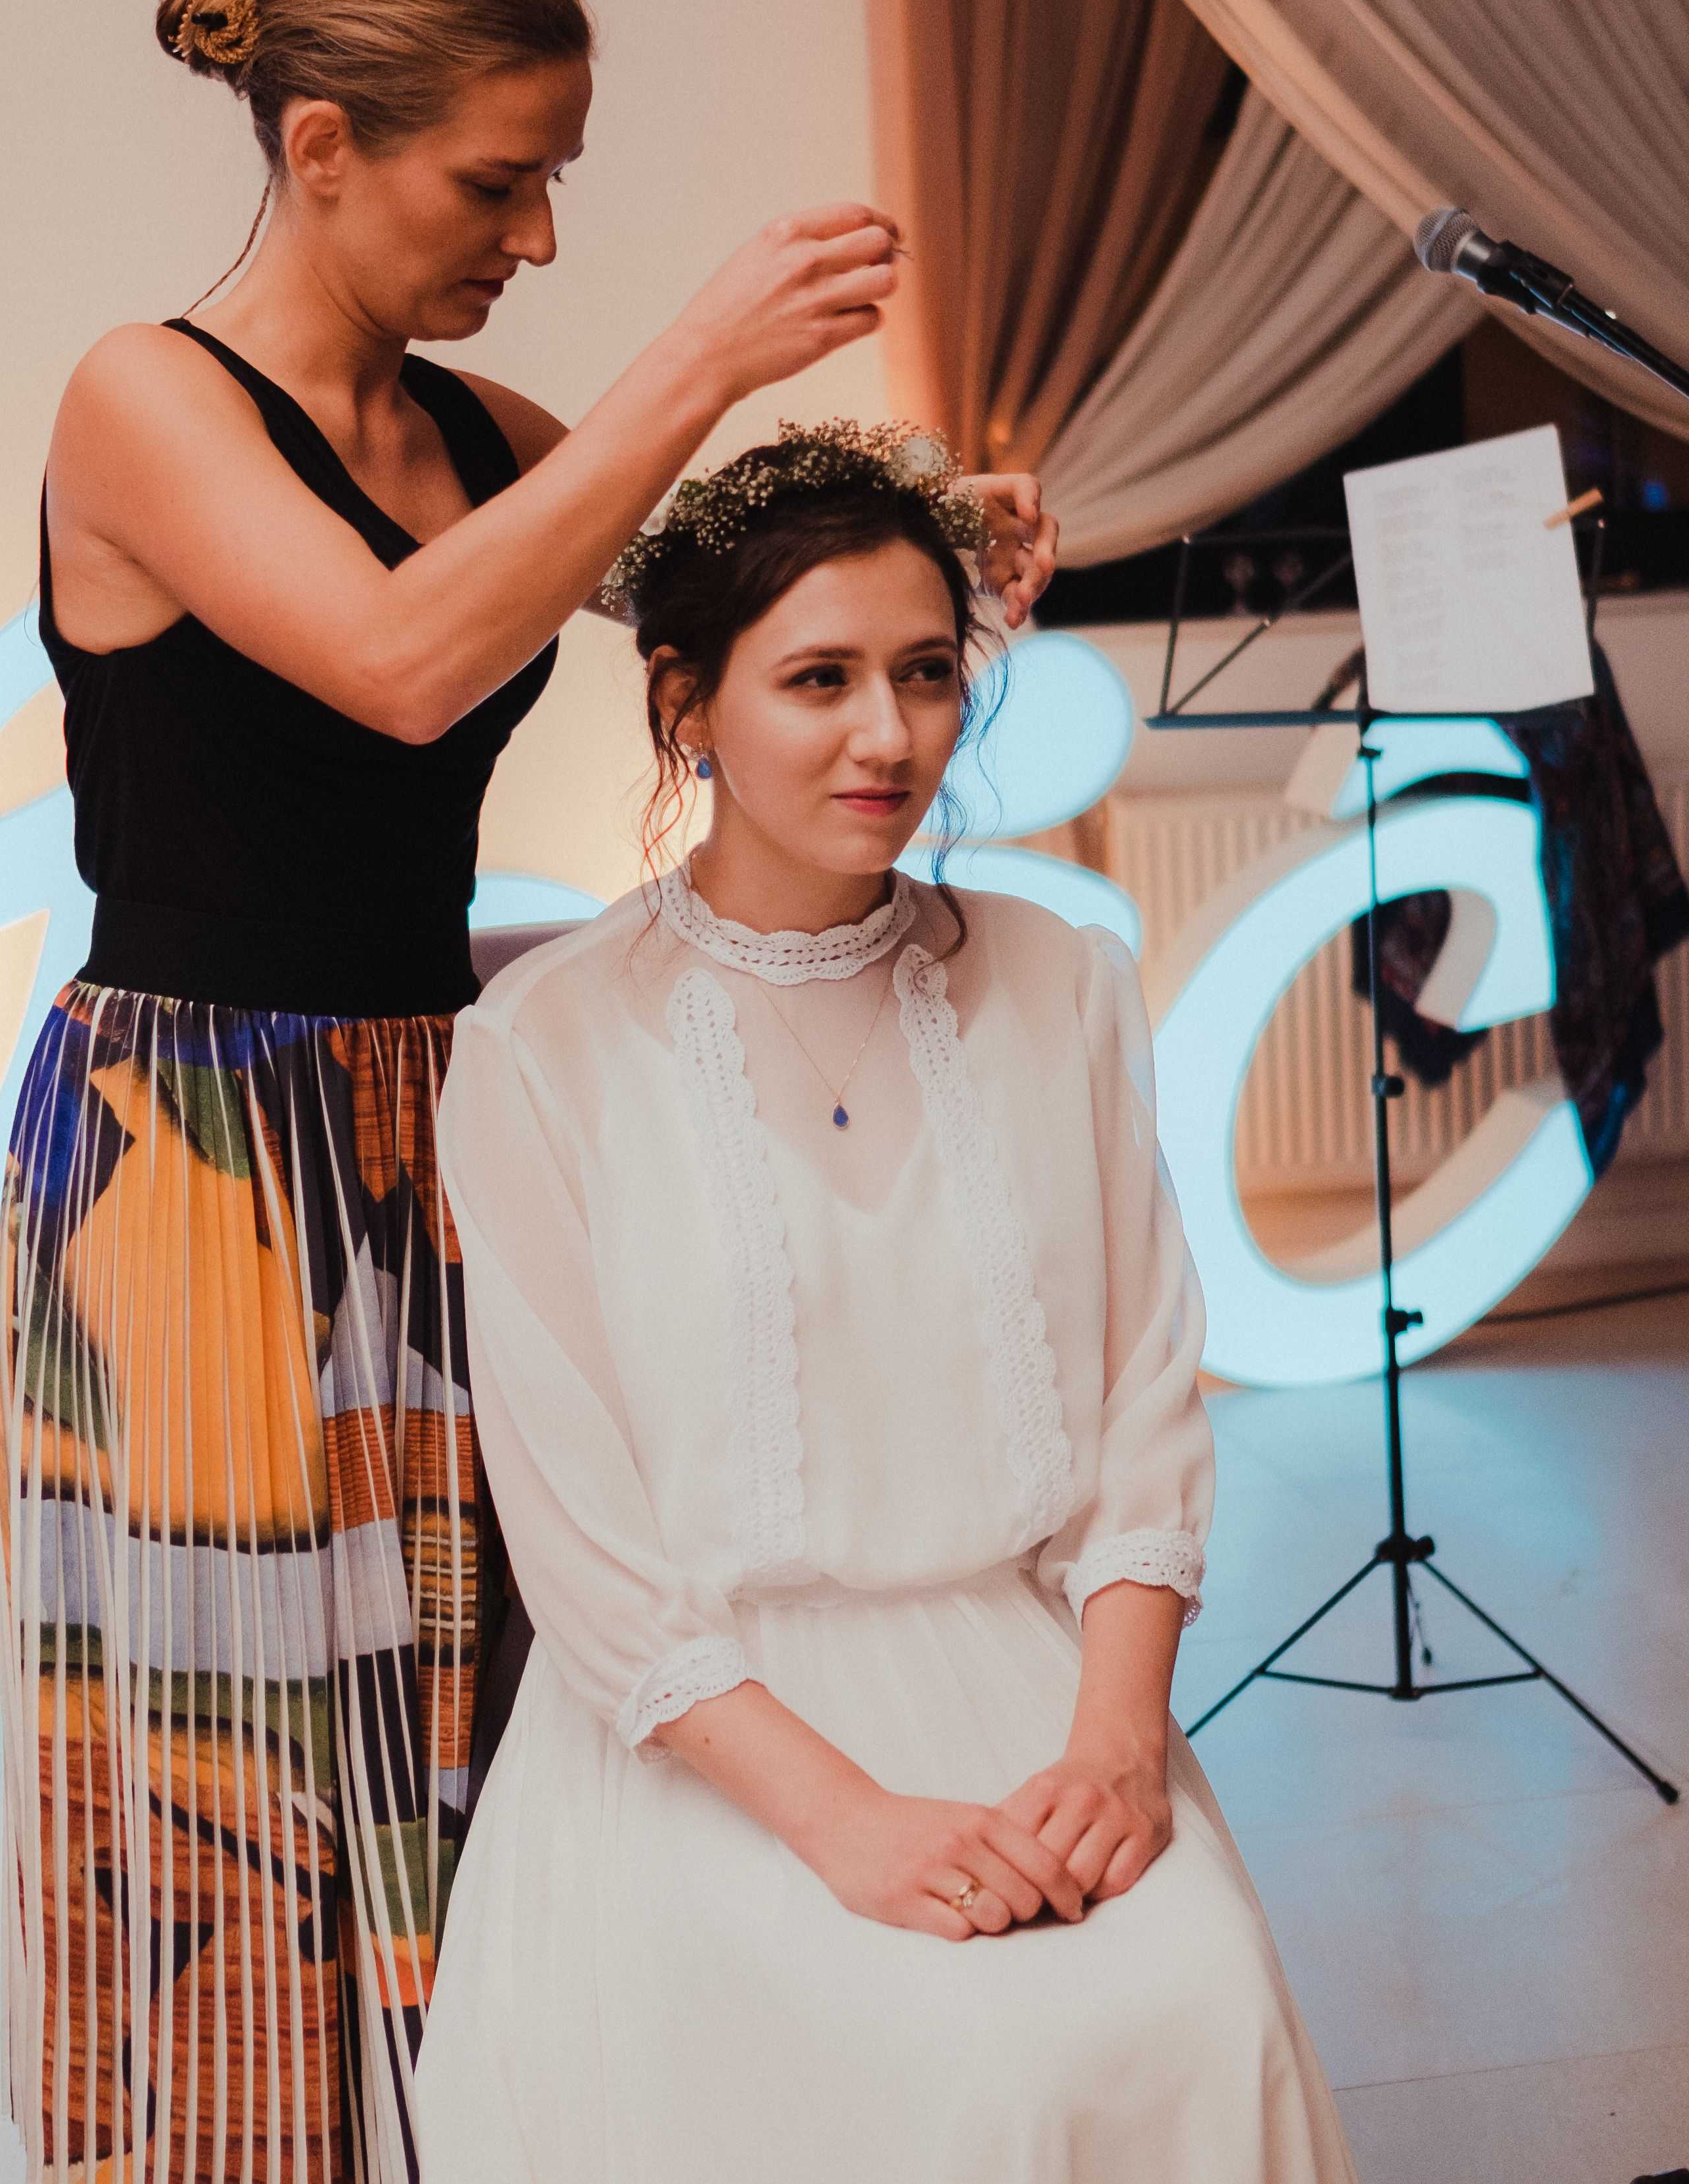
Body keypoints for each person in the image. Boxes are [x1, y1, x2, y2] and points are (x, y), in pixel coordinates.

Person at [0, 0, 1056, 2183]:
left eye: (558, 179)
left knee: (489, 1697)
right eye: (500, 181)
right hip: (202, 1149)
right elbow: (400, 660)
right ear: (321, 147)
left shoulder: (481, 433)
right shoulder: (142, 398)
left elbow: (714, 598)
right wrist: (703, 359)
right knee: (249, 1768)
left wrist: (931, 549)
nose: (541, 236)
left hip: (444, 1109)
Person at [413, 427, 1352, 2181]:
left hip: (1035, 1682)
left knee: (1202, 2003)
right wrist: (845, 1825)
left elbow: (1148, 1408)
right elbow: (583, 1542)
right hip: (712, 1732)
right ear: (686, 705)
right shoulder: (543, 1047)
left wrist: (1120, 1748)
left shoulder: (1063, 980)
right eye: (819, 678)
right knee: (968, 2073)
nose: (890, 735)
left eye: (926, 672)